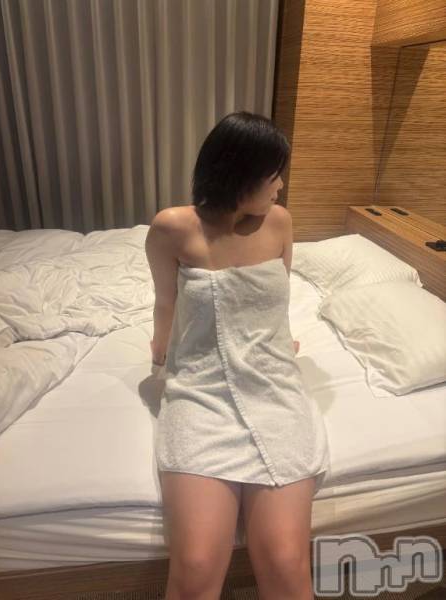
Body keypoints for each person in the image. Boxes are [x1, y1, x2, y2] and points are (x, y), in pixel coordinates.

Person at [145, 111, 330, 600]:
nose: (281, 186)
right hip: (201, 389)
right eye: (274, 175)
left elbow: (274, 300)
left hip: (272, 387)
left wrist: (278, 341)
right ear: (238, 173)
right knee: (196, 567)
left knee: (286, 564)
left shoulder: (280, 223)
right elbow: (166, 302)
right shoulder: (172, 227)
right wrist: (160, 350)